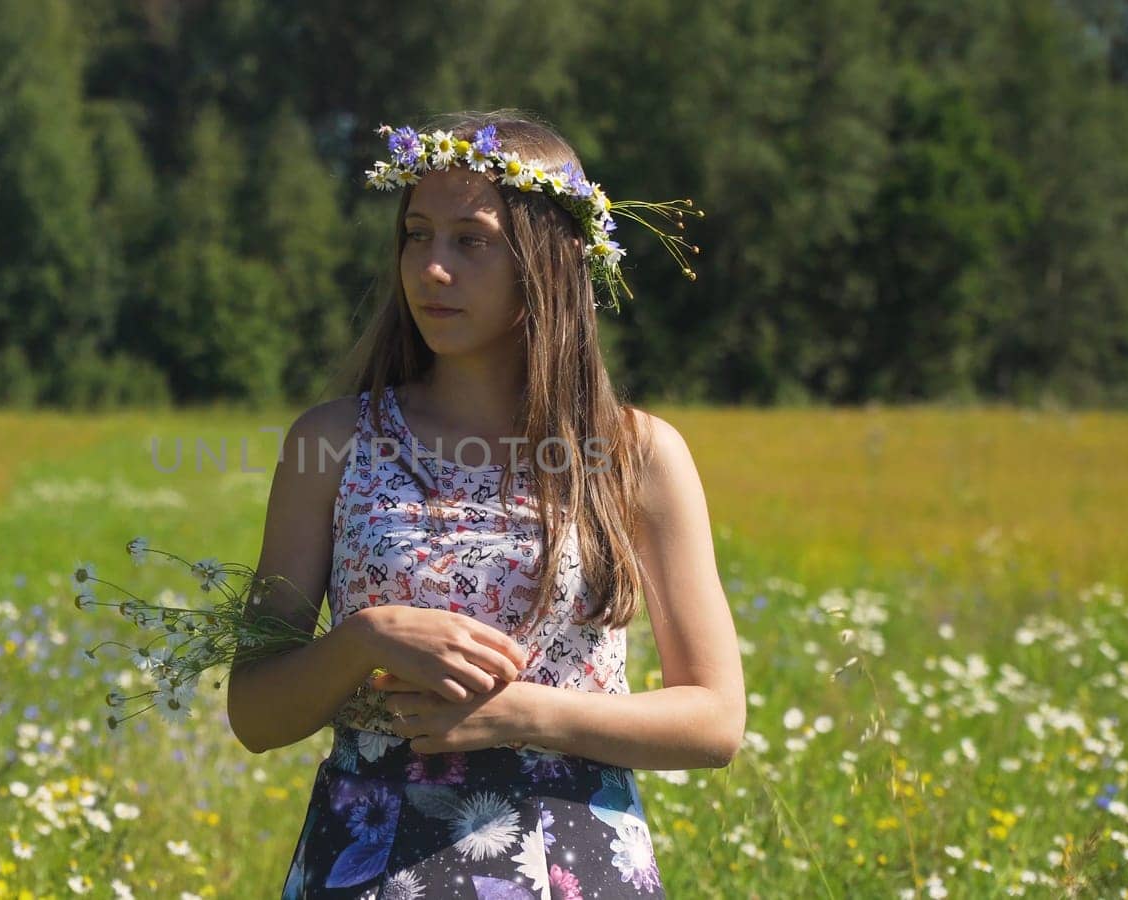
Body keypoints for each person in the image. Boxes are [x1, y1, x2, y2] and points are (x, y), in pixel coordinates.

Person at [226, 108, 745, 899]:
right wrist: (366, 638)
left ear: (548, 259)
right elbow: (255, 714)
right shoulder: (330, 441)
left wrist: (522, 715)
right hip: (366, 860)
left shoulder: (636, 454)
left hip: (572, 863)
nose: (432, 268)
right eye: (416, 235)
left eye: (470, 240)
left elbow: (714, 721)